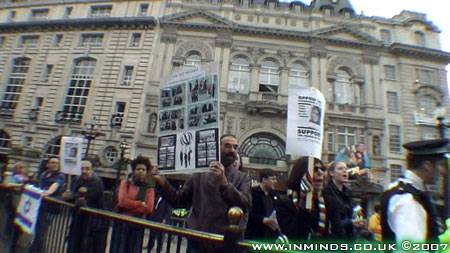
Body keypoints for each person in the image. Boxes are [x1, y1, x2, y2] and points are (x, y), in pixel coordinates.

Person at [151, 134, 252, 253]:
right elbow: (179, 201)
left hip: (226, 244)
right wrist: (163, 182)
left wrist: (224, 184)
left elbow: (245, 204)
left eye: (235, 147)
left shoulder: (243, 178)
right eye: (227, 146)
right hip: (197, 241)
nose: (232, 150)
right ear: (217, 147)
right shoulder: (199, 174)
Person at [380, 139, 449, 243]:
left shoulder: (401, 189)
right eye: (440, 165)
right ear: (427, 165)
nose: (443, 171)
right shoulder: (408, 201)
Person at [276, 157, 328, 240]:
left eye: (322, 169)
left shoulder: (329, 202)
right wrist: (304, 203)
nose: (320, 172)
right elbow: (294, 235)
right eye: (315, 169)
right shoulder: (285, 203)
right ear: (300, 173)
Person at [110, 155, 155, 253]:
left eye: (143, 169)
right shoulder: (125, 183)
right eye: (138, 169)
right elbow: (122, 201)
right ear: (134, 170)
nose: (141, 171)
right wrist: (140, 203)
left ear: (147, 172)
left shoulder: (149, 188)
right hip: (122, 223)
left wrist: (130, 206)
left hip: (138, 226)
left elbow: (149, 208)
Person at [64, 160, 106, 253]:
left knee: (86, 245)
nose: (84, 171)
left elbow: (87, 196)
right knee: (74, 242)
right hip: (78, 218)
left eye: (87, 169)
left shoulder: (97, 182)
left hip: (93, 220)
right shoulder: (77, 179)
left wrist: (72, 196)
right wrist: (71, 196)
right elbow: (73, 194)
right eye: (82, 169)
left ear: (92, 170)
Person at [29, 157, 66, 253]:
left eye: (57, 163)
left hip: (51, 207)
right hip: (40, 205)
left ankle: (34, 250)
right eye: (52, 162)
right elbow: (40, 186)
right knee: (38, 230)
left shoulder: (60, 175)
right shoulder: (44, 174)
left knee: (42, 231)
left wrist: (48, 192)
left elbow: (56, 185)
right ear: (47, 164)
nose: (55, 164)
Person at [323, 161, 364, 239]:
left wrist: (359, 217)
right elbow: (332, 223)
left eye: (346, 168)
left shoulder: (348, 194)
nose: (345, 171)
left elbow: (357, 213)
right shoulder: (327, 193)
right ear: (331, 173)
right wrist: (351, 222)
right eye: (340, 168)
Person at [246, 169, 279, 241]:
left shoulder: (275, 196)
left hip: (271, 237)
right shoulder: (252, 193)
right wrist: (263, 219)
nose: (275, 182)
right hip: (255, 235)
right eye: (272, 179)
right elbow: (247, 213)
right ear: (264, 179)